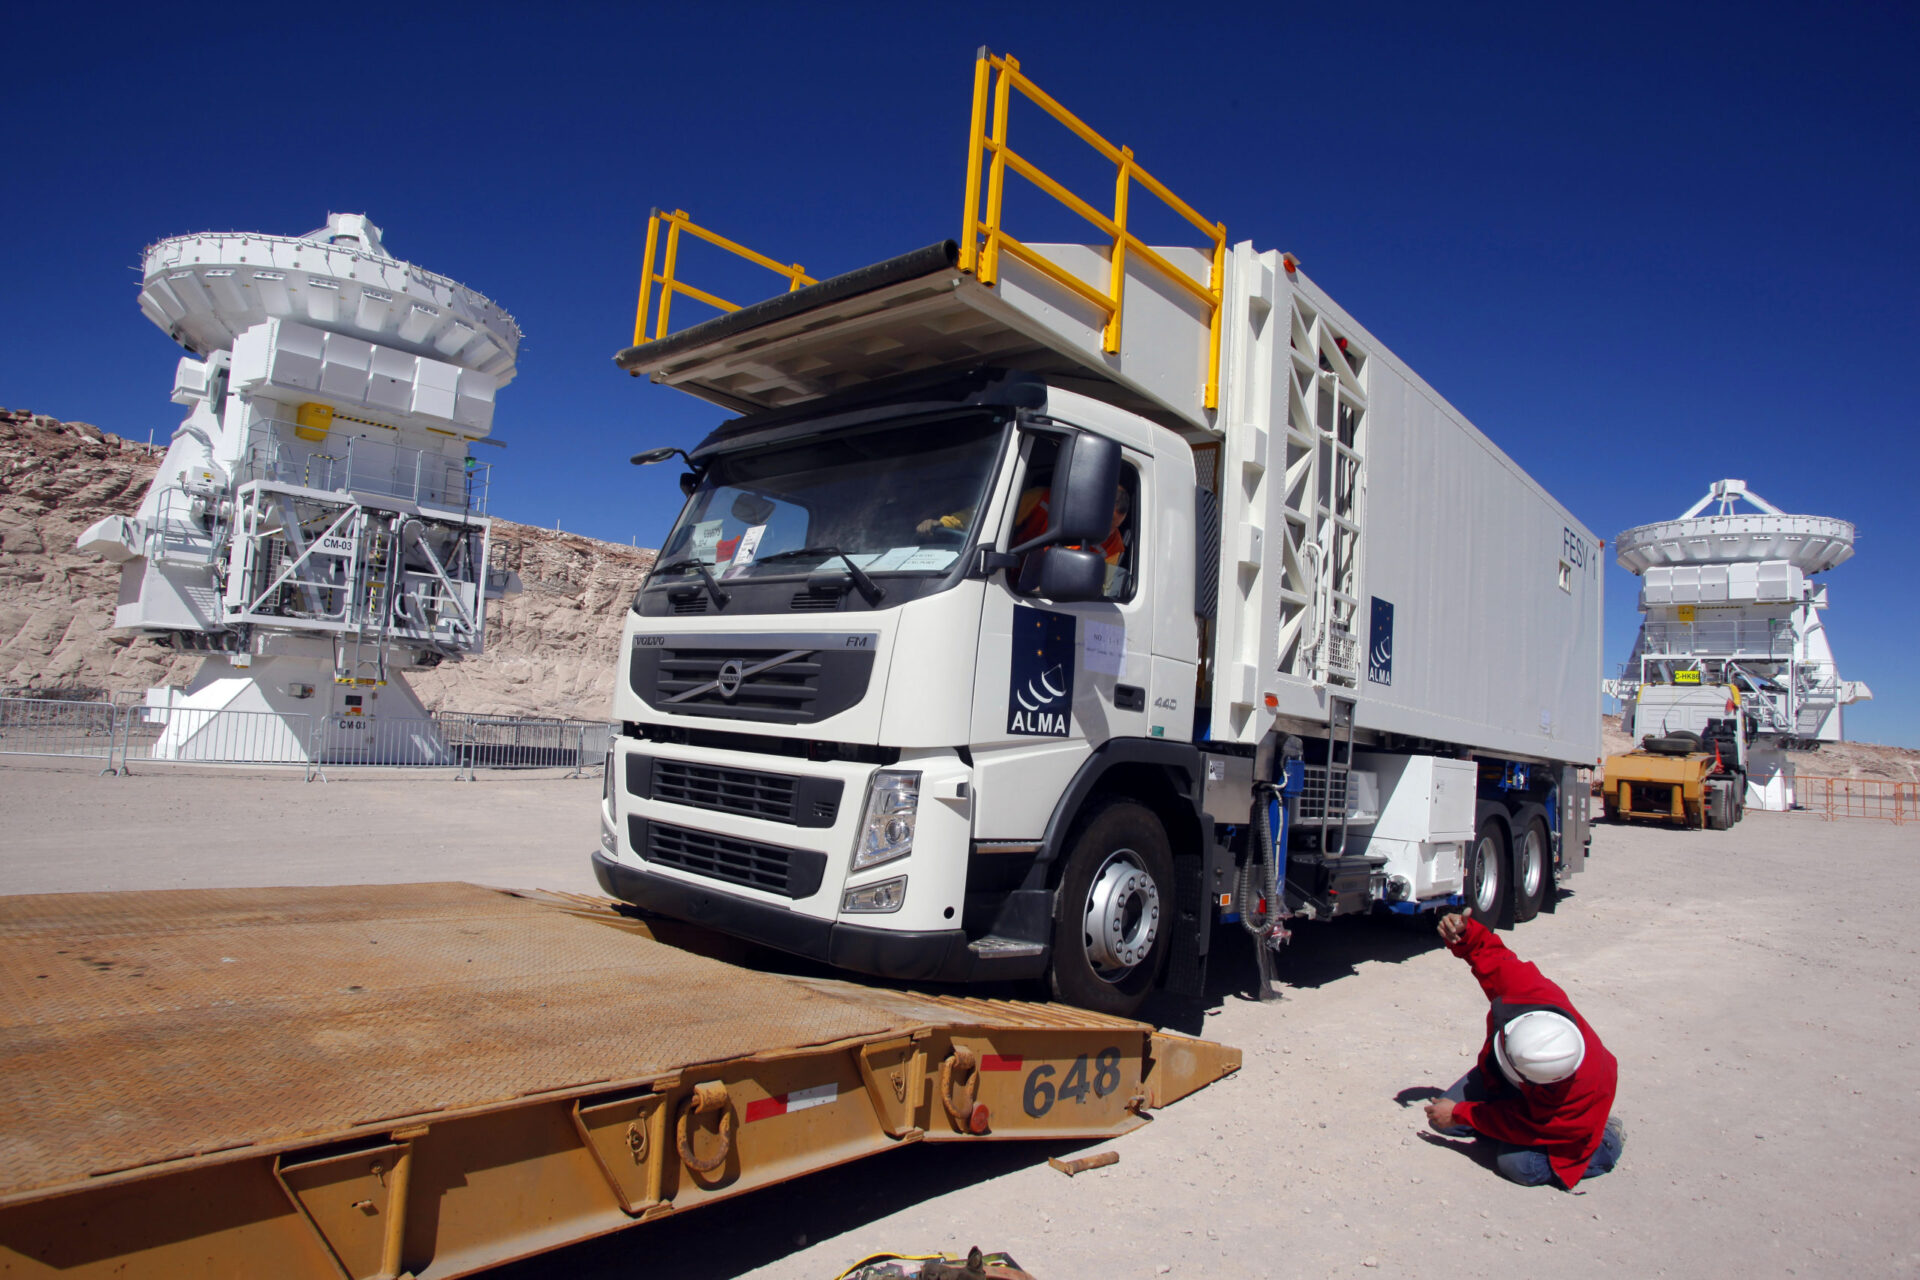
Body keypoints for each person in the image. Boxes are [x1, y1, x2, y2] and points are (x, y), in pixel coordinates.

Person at [1421, 908, 1624, 1189]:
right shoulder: (1532, 996)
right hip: (1517, 1085)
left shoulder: (1581, 1092)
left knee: (1518, 1165)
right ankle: (1491, 1121)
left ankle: (1606, 1141)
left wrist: (1460, 1113)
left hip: (1559, 1120)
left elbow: (1528, 1123)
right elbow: (1496, 959)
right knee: (1442, 1119)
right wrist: (1465, 933)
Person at [918, 485, 1132, 594]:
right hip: (999, 578)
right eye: (1103, 525)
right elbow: (989, 516)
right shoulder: (1042, 499)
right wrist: (944, 523)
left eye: (1114, 528)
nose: (1106, 533)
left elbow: (1099, 591)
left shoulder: (1114, 545)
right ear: (1088, 505)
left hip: (1048, 601)